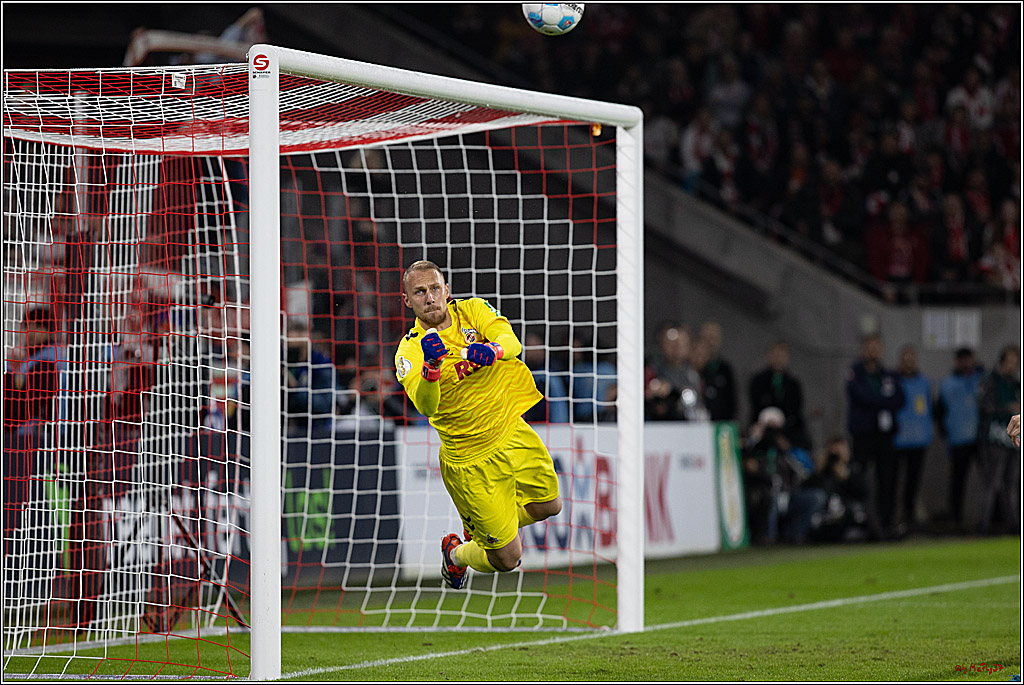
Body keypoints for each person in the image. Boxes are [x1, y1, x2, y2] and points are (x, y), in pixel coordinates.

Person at [393, 260, 561, 589]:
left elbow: (512, 343)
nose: (430, 297)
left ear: (447, 290)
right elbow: (426, 406)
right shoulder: (409, 351)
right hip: (470, 460)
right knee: (508, 559)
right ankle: (455, 555)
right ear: (407, 300)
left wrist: (493, 350)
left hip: (511, 431)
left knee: (549, 505)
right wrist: (431, 368)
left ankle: (486, 529)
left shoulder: (472, 311)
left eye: (435, 288)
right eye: (420, 292)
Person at [3, 306, 62, 556]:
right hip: (44, 448)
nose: (24, 333)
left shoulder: (45, 362)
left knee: (40, 520)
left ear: (43, 330)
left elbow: (18, 412)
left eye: (29, 327)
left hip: (38, 451)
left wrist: (9, 376)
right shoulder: (44, 359)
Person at [845, 332, 904, 540]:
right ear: (864, 349)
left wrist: (878, 400)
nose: (873, 351)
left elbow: (899, 399)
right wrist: (882, 399)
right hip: (863, 435)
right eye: (870, 346)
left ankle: (886, 525)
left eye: (877, 346)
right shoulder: (855, 373)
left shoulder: (887, 374)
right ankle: (861, 524)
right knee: (860, 480)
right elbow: (862, 396)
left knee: (887, 482)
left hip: (885, 436)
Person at [935, 347, 984, 530]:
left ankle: (995, 516)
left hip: (981, 439)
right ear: (957, 362)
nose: (966, 363)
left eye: (968, 359)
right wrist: (945, 431)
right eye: (962, 360)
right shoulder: (948, 383)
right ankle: (955, 518)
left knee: (991, 480)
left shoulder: (982, 379)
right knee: (958, 480)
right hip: (958, 439)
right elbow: (939, 411)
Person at [975, 346, 1020, 534]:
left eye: (1015, 362)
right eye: (1010, 361)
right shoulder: (991, 381)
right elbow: (984, 405)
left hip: (1014, 439)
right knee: (991, 483)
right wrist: (1007, 408)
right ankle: (983, 525)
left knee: (1012, 484)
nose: (1013, 366)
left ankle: (1015, 525)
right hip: (994, 437)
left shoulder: (1016, 384)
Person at [892, 345, 932, 533]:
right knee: (894, 482)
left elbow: (928, 408)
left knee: (913, 482)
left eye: (911, 358)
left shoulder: (923, 382)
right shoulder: (893, 381)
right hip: (898, 440)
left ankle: (910, 517)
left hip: (918, 440)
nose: (909, 362)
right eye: (905, 358)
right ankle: (893, 519)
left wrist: (927, 433)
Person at [748, 341, 810, 451]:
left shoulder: (793, 384)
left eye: (781, 356)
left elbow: (796, 409)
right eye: (775, 355)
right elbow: (755, 404)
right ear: (768, 356)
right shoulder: (758, 381)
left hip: (788, 429)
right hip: (763, 427)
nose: (778, 359)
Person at [697, 321, 737, 422]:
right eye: (707, 338)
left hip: (719, 422)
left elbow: (731, 400)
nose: (711, 342)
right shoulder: (691, 367)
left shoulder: (725, 369)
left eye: (714, 338)